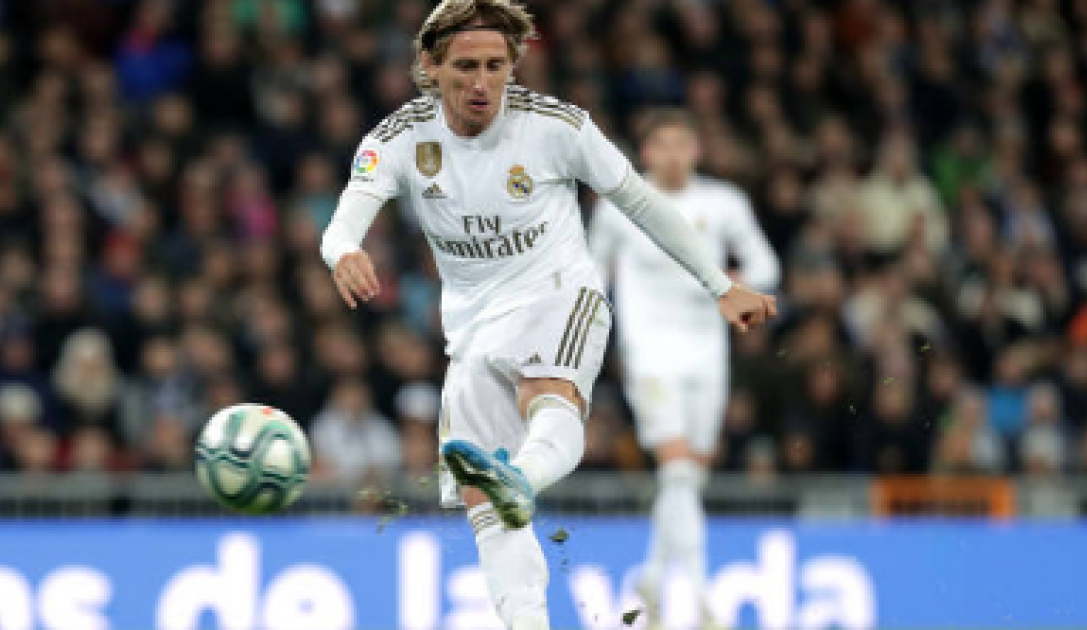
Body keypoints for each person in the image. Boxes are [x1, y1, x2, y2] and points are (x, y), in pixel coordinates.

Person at [319, 2, 777, 627]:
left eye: (495, 66)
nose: (482, 83)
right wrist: (344, 249)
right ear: (431, 66)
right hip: (473, 328)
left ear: (513, 65)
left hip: (558, 292)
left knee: (545, 400)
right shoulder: (401, 138)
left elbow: (641, 203)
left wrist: (719, 283)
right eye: (466, 67)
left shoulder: (557, 127)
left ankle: (525, 476)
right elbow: (346, 215)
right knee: (483, 504)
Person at [591, 109, 780, 628]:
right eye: (662, 145)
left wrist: (734, 279)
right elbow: (590, 273)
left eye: (682, 144)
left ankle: (651, 581)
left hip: (707, 353)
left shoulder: (723, 203)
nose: (673, 155)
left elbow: (767, 266)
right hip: (649, 350)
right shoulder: (621, 206)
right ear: (645, 152)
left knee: (686, 480)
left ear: (696, 150)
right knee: (675, 468)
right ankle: (699, 599)